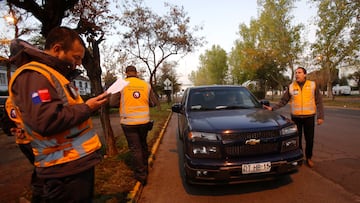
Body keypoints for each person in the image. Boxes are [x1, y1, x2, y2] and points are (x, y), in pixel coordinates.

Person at [7, 26, 108, 202]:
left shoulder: (53, 75)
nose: (78, 64)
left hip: (71, 165)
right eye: (76, 58)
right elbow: (46, 120)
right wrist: (87, 108)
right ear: (57, 49)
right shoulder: (35, 76)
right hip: (64, 169)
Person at [263, 67, 324, 168]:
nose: (297, 75)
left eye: (299, 73)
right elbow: (283, 100)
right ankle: (299, 157)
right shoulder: (291, 86)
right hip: (296, 117)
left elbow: (319, 102)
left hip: (309, 117)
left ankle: (309, 158)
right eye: (296, 73)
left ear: (305, 74)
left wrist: (320, 116)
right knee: (297, 139)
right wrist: (272, 108)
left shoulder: (312, 85)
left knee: (310, 139)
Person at [109, 65, 160, 186]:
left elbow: (112, 102)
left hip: (129, 122)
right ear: (136, 73)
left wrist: (123, 103)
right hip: (144, 122)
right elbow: (153, 102)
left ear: (126, 73)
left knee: (135, 148)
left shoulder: (121, 84)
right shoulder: (146, 85)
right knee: (143, 144)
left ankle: (141, 176)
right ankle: (146, 168)